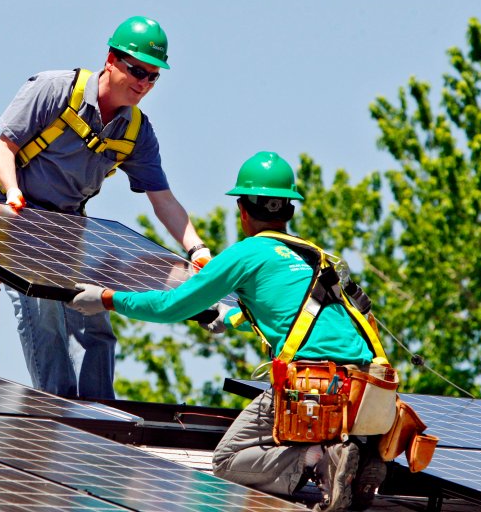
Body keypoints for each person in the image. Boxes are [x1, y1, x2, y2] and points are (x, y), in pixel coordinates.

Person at [68, 151, 391, 511]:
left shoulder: (247, 253)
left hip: (313, 385)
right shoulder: (317, 256)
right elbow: (308, 315)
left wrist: (108, 298)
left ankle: (318, 457)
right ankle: (359, 453)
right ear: (290, 210)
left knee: (226, 460)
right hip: (365, 387)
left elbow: (169, 306)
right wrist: (230, 316)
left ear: (243, 211)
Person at [0, 16, 211, 399]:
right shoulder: (53, 90)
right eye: (137, 70)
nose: (143, 83)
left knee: (94, 318)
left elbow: (163, 199)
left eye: (153, 77)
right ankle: (56, 411)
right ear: (111, 59)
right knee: (45, 318)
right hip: (17, 217)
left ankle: (99, 416)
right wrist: (11, 192)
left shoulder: (137, 132)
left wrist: (197, 248)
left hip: (68, 226)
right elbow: (3, 150)